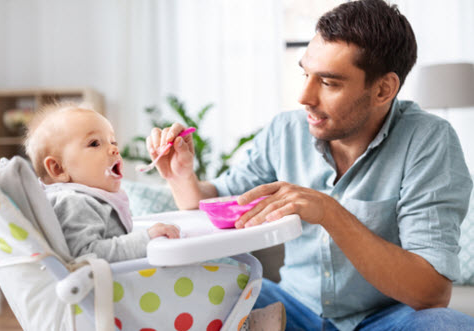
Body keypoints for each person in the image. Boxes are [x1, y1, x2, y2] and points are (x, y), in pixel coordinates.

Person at [146, 0, 474, 330]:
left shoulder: (429, 140)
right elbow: (215, 202)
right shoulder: (284, 131)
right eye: (305, 74)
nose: (304, 96)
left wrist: (329, 212)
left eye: (329, 83)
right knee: (205, 286)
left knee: (447, 324)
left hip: (384, 318)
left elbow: (432, 293)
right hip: (293, 309)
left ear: (383, 89)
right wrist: (181, 176)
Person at [24, 102, 180, 263]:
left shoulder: (89, 199)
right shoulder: (74, 201)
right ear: (58, 169)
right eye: (95, 143)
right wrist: (145, 239)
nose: (114, 150)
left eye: (113, 142)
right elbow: (84, 256)